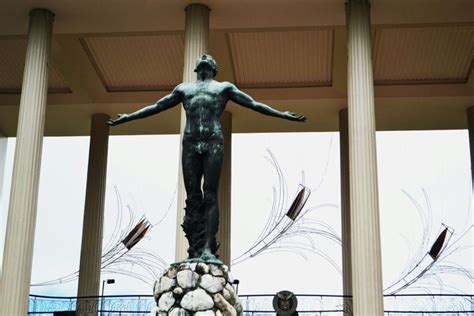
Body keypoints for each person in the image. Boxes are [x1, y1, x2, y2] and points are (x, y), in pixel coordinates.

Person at [107, 54, 305, 263]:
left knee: (210, 194)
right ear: (196, 69)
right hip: (191, 142)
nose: (203, 57)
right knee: (192, 196)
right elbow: (157, 106)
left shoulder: (223, 88)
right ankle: (194, 250)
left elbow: (253, 104)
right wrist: (128, 117)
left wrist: (282, 114)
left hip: (213, 141)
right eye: (202, 57)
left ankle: (208, 249)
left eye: (208, 57)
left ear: (214, 67)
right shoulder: (183, 89)